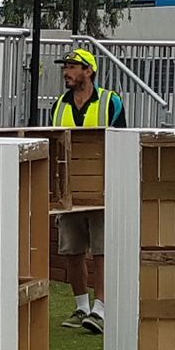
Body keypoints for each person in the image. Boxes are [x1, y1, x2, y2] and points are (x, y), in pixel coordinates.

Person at [49, 46, 126, 333]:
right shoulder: (59, 104)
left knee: (102, 249)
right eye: (65, 66)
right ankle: (82, 306)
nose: (66, 72)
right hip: (69, 188)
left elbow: (122, 141)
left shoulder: (110, 101)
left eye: (72, 66)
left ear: (88, 71)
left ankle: (101, 309)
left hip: (102, 187)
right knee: (71, 249)